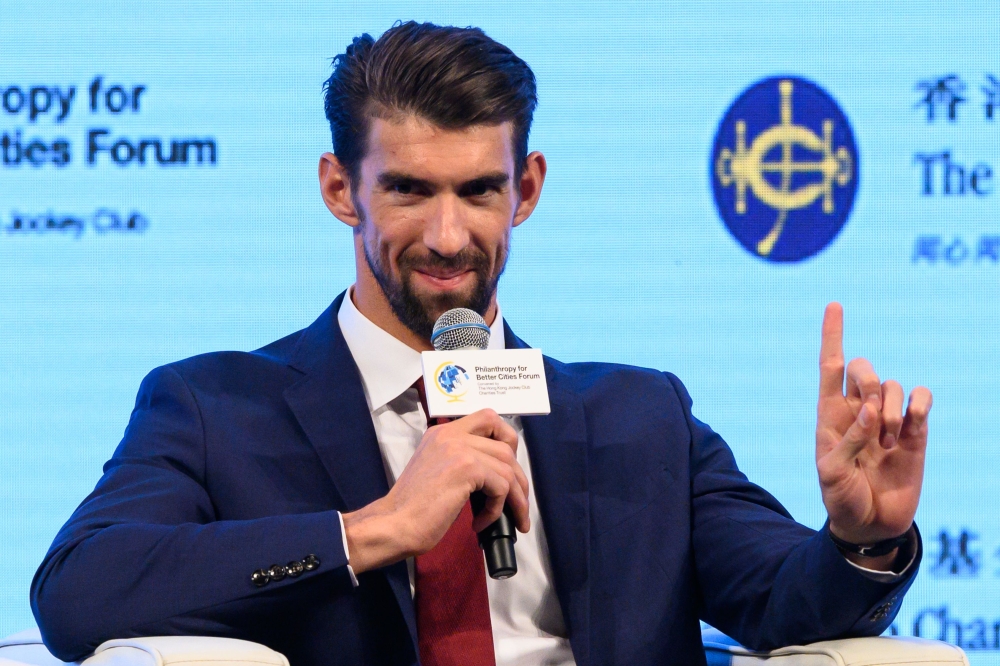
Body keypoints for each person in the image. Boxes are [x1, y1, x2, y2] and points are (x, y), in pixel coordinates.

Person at [31, 21, 932, 666]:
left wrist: (861, 541)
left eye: (479, 192)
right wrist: (375, 529)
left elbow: (782, 602)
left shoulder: (639, 415)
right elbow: (77, 593)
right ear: (341, 189)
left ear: (527, 188)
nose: (451, 237)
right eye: (411, 191)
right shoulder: (213, 407)